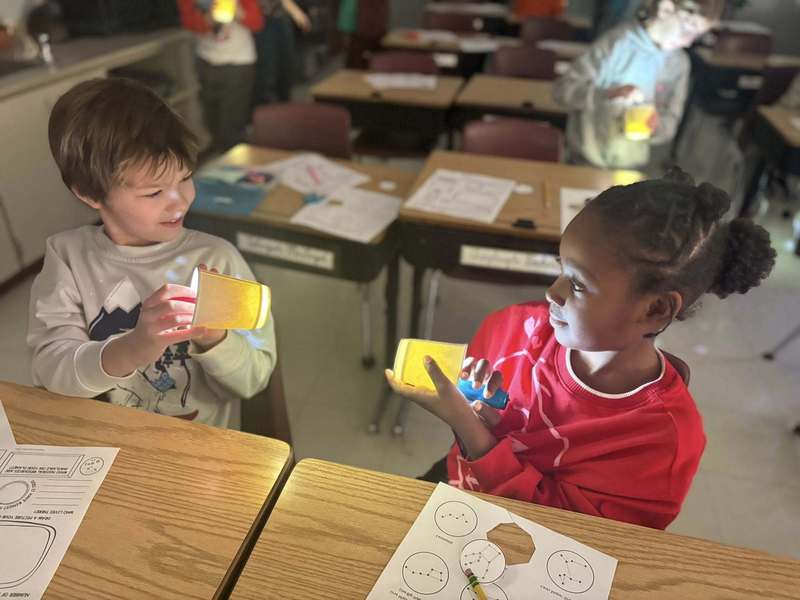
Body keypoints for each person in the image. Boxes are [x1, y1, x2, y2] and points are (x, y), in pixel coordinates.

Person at [386, 167, 776, 529]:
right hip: (459, 490)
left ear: (655, 310)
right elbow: (490, 431)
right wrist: (480, 414)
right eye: (561, 268)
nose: (551, 293)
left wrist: (471, 430)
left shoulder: (662, 442)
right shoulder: (513, 328)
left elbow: (571, 540)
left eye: (576, 284)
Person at [28, 78, 277, 428]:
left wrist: (214, 337)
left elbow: (255, 377)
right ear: (89, 194)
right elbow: (49, 370)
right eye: (154, 192)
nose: (180, 200)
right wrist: (132, 348)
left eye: (186, 177)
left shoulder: (219, 259)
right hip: (107, 441)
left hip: (197, 444)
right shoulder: (68, 258)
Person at [553, 0, 722, 170]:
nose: (688, 42)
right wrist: (608, 94)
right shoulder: (616, 45)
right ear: (665, 9)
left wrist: (656, 126)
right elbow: (563, 91)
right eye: (688, 29)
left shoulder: (679, 64)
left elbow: (670, 121)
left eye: (697, 35)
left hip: (634, 166)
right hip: (585, 160)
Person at [178, 0, 264, 155]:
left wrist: (239, 13)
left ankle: (235, 162)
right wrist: (206, 20)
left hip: (239, 61)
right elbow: (187, 20)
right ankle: (221, 156)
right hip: (206, 61)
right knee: (211, 118)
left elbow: (257, 23)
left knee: (232, 124)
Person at [253, 0, 311, 104]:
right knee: (266, 77)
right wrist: (295, 11)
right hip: (260, 19)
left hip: (279, 18)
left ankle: (283, 111)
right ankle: (265, 114)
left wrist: (295, 11)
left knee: (286, 73)